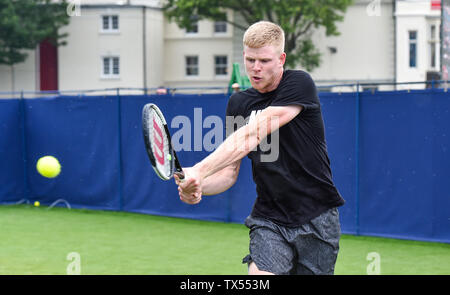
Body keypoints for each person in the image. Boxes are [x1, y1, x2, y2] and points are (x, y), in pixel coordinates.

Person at [174, 21, 345, 275]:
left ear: (281, 58)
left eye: (264, 60)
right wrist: (199, 187)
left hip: (318, 215)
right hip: (269, 218)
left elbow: (254, 133)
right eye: (250, 59)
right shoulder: (238, 103)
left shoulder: (299, 83)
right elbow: (229, 173)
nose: (255, 68)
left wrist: (198, 169)